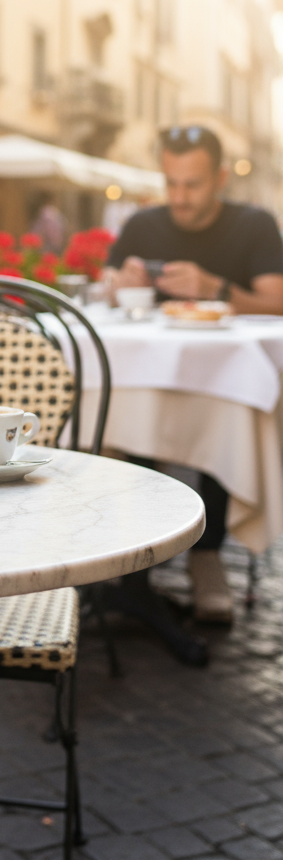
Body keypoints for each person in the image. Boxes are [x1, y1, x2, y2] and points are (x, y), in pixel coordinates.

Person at [106, 124, 283, 623]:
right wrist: (120, 284)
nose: (180, 198)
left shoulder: (253, 224)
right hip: (149, 377)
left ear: (221, 178)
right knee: (129, 413)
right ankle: (135, 555)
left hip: (224, 380)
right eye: (171, 183)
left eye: (193, 185)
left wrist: (215, 289)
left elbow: (277, 302)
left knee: (227, 412)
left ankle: (207, 555)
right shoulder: (143, 224)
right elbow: (108, 287)